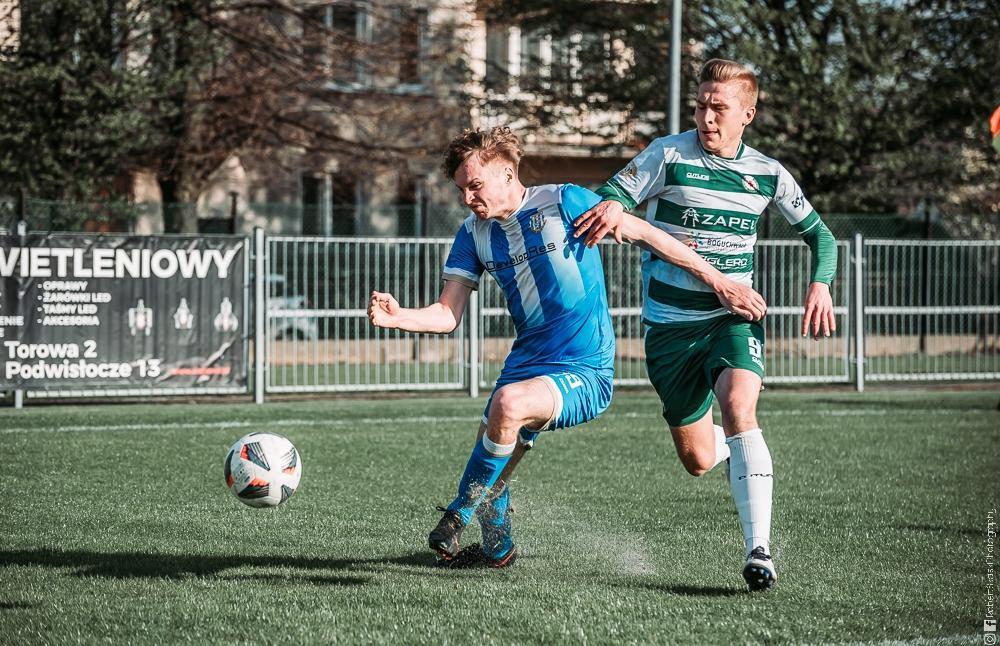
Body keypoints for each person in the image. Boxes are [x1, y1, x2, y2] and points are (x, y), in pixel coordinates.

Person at [368, 126, 766, 568]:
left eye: (475, 186)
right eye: (462, 189)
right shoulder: (473, 235)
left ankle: (457, 514)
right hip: (526, 366)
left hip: (584, 368)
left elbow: (651, 236)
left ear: (506, 173)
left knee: (507, 408)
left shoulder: (565, 201)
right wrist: (399, 316)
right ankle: (498, 551)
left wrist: (720, 281)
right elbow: (447, 314)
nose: (467, 199)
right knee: (498, 453)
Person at [573, 58, 838, 591]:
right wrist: (610, 211)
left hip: (732, 316)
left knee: (741, 406)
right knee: (697, 460)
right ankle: (737, 451)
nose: (706, 117)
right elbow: (611, 202)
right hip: (669, 329)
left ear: (748, 113)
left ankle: (759, 550)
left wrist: (821, 283)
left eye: (719, 108)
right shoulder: (667, 156)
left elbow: (822, 238)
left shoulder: (768, 174)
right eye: (700, 105)